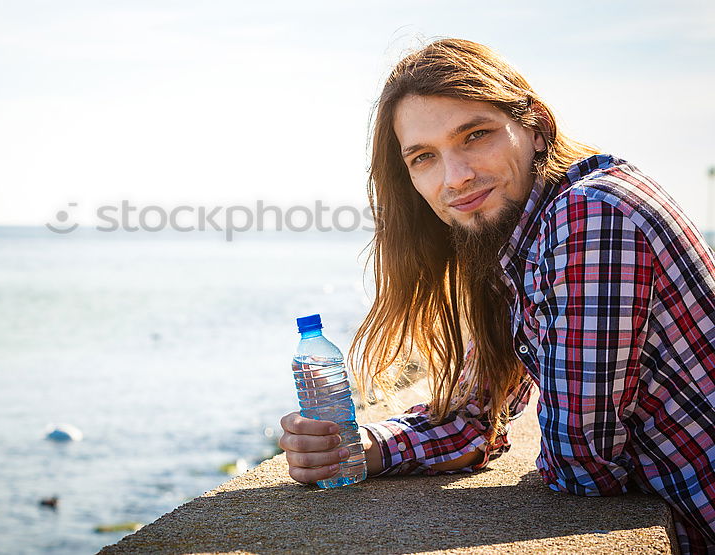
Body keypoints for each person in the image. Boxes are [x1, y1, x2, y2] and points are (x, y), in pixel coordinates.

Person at [278, 39, 715, 553]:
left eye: (475, 135)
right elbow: (475, 420)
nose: (455, 177)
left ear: (535, 127)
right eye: (424, 158)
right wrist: (361, 447)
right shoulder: (517, 238)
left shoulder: (591, 216)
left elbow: (581, 461)